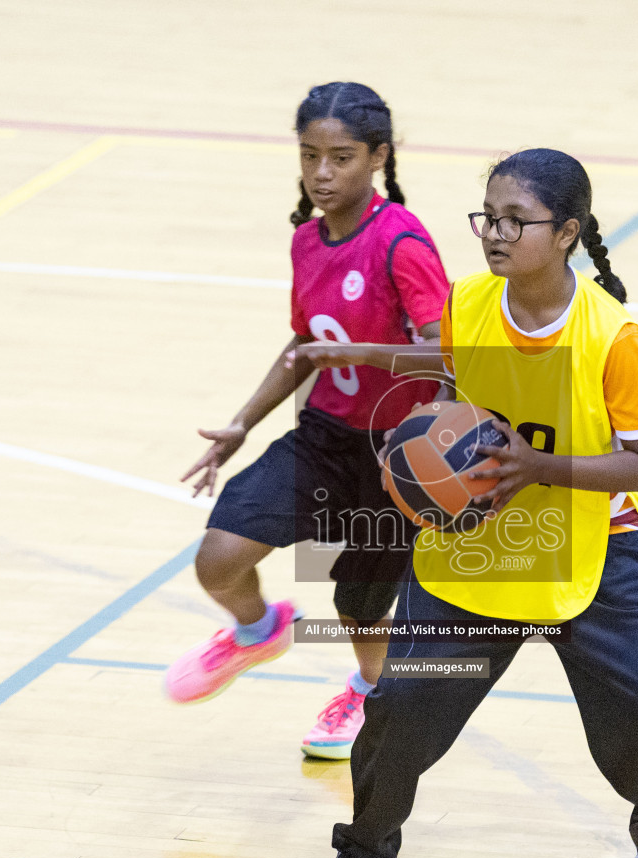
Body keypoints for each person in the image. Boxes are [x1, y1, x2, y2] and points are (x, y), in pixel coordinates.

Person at [311, 148, 638, 858]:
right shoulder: (466, 307)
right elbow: (449, 406)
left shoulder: (611, 337)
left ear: (566, 233)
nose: (494, 234)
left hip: (595, 552)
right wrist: (418, 470)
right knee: (399, 704)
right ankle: (364, 851)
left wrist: (537, 466)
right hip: (476, 546)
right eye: (486, 217)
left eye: (514, 221)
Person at [166, 82, 450, 760]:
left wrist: (361, 354)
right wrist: (242, 423)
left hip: (395, 452)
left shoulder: (402, 243)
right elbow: (304, 345)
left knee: (361, 607)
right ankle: (257, 630)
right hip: (325, 435)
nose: (323, 173)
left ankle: (366, 695)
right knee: (219, 558)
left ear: (378, 157)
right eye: (311, 156)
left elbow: (448, 353)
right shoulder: (307, 241)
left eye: (342, 158)